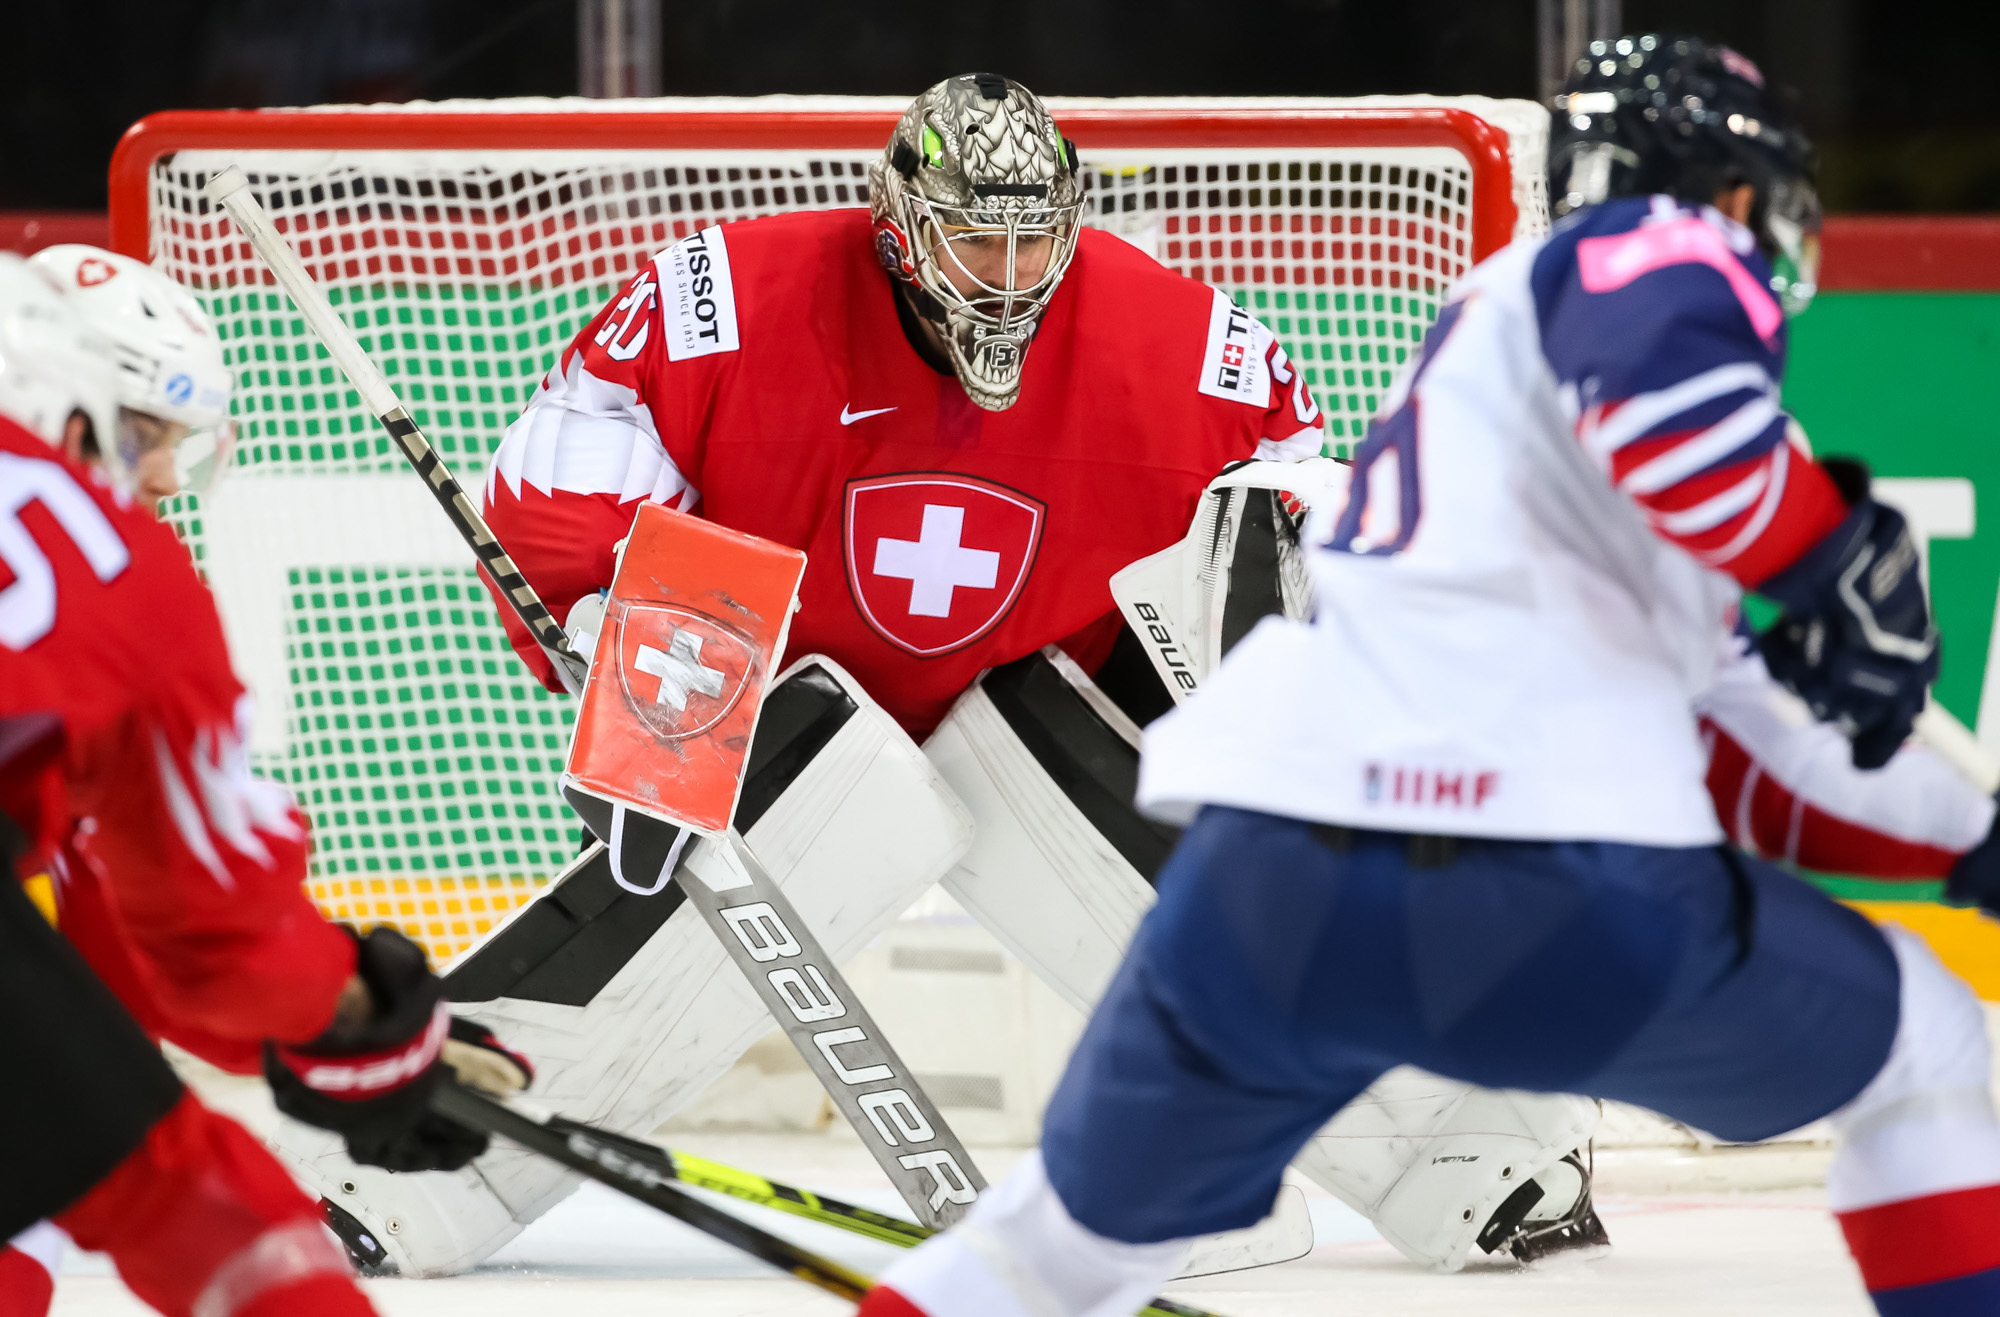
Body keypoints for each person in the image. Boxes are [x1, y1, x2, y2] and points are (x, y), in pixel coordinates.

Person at [281, 72, 1630, 1279]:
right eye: (974, 237)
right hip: (773, 701)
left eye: (1034, 238)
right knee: (695, 888)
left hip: (1042, 698)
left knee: (1224, 898)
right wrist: (608, 645)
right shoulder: (724, 295)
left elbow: (1284, 508)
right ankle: (412, 1171)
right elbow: (574, 462)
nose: (1008, 270)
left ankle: (1470, 1149)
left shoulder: (1185, 341)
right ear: (897, 222)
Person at [856, 36, 2000, 1317]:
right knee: (1924, 1039)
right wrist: (1829, 548)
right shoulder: (1650, 257)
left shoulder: (1485, 369)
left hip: (1257, 890)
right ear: (1730, 192)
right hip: (1530, 886)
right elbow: (1688, 449)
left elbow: (1750, 759)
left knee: (1039, 1263)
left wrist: (1969, 839)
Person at [0, 252, 528, 1317]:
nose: (159, 479)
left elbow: (100, 947)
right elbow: (208, 937)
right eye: (140, 432)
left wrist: (324, 1032)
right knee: (182, 1201)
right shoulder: (106, 566)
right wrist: (357, 1025)